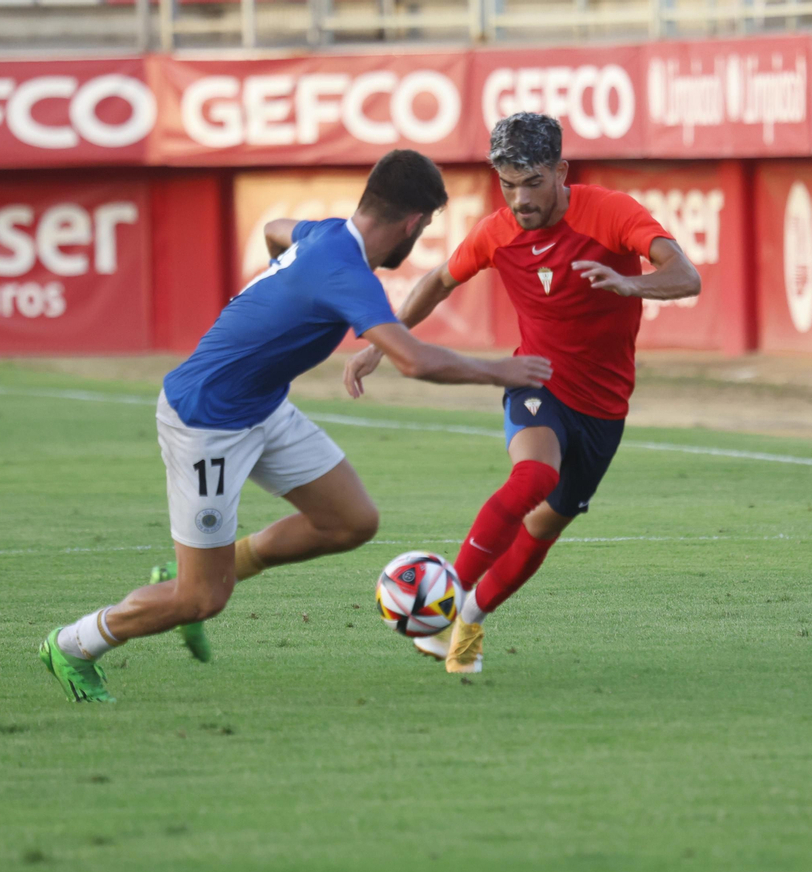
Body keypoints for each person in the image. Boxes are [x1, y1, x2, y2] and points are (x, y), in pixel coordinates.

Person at [39, 150, 552, 703]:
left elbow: (274, 231)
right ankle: (73, 645)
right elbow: (413, 360)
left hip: (263, 406)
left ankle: (198, 568)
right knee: (200, 600)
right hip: (206, 422)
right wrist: (501, 371)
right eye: (426, 225)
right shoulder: (345, 271)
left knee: (351, 521)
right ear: (412, 223)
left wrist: (277, 289)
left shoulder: (325, 234)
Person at [343, 113, 701, 674]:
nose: (520, 199)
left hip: (604, 408)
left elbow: (686, 274)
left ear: (561, 172)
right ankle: (445, 597)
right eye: (508, 184)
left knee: (543, 529)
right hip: (535, 379)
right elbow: (438, 281)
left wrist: (629, 283)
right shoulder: (497, 232)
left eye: (532, 182)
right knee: (534, 476)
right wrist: (382, 342)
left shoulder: (610, 213)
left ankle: (469, 620)